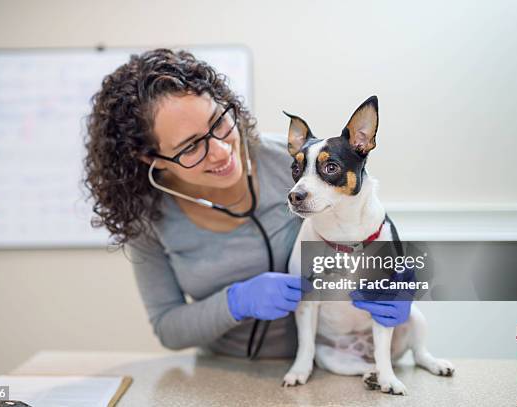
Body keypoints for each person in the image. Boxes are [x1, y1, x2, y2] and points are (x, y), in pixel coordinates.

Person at [83, 48, 411, 359]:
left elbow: (367, 223)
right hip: (223, 374)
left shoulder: (297, 163)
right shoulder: (147, 216)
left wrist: (402, 283)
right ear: (152, 157)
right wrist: (235, 302)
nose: (221, 151)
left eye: (219, 121)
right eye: (191, 146)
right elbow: (168, 328)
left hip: (326, 363)